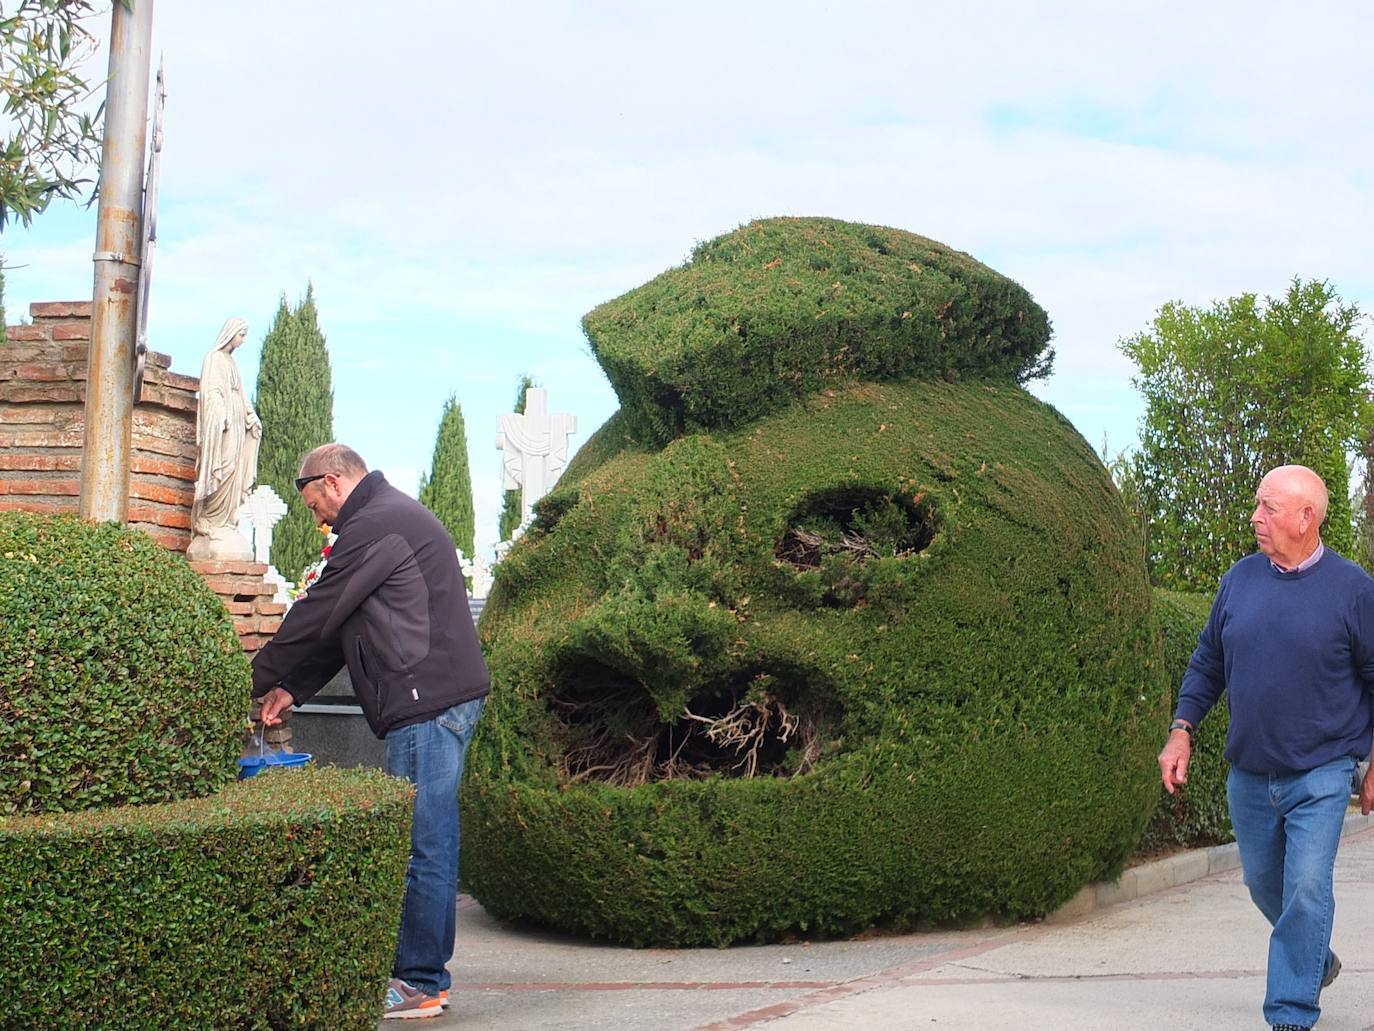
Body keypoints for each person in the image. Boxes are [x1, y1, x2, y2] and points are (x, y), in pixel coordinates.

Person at [253, 443, 490, 1021]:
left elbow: (315, 611)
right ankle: (422, 977)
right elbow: (344, 625)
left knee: (424, 845)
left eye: (313, 505)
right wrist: (294, 689)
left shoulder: (377, 523)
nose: (317, 519)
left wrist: (243, 677)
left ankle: (420, 982)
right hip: (434, 698)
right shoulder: (383, 518)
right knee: (424, 840)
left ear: (332, 482)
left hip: (428, 701)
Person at [1159, 464, 1374, 1031]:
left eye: (1269, 508)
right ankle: (1314, 961)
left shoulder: (1354, 590)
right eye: (1258, 506)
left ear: (1307, 517)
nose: (1256, 517)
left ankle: (1290, 1011)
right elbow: (1208, 661)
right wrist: (1182, 728)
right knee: (1263, 883)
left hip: (1323, 771)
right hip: (1251, 774)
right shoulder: (1240, 580)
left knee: (1306, 886)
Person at [189, 317, 261, 558]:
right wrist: (221, 415)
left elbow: (241, 395)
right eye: (241, 335)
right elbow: (211, 393)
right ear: (230, 333)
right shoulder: (214, 358)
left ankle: (226, 522)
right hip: (223, 426)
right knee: (222, 469)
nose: (243, 341)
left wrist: (251, 416)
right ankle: (211, 520)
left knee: (234, 471)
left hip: (238, 425)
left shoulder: (232, 363)